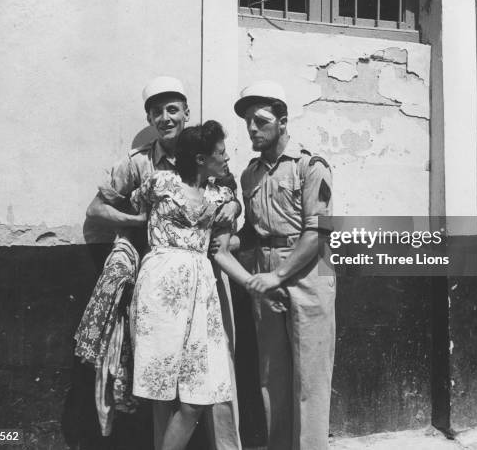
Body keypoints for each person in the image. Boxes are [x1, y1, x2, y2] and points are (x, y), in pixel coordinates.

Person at [84, 77, 243, 450]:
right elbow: (97, 208)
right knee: (162, 385)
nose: (165, 118)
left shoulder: (212, 157)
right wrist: (137, 222)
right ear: (150, 118)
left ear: (186, 113)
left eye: (173, 109)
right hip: (159, 281)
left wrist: (230, 210)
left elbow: (232, 204)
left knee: (213, 381)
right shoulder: (141, 164)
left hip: (206, 276)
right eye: (157, 112)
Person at [129, 121, 286, 450]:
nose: (227, 158)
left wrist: (256, 286)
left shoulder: (221, 196)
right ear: (200, 159)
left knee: (197, 397)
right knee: (160, 392)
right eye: (221, 153)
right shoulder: (160, 182)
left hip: (201, 290)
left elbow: (222, 253)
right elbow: (133, 211)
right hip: (159, 287)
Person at [234, 80, 336, 450]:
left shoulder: (311, 167)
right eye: (248, 122)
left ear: (282, 121)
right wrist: (223, 241)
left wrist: (278, 274)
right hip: (266, 269)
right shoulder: (250, 174)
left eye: (260, 121)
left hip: (307, 272)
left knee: (310, 375)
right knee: (272, 374)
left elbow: (316, 234)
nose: (251, 129)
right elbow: (250, 230)